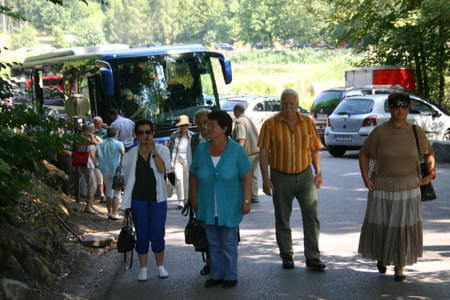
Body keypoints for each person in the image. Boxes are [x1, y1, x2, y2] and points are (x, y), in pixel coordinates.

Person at [358, 92, 436, 281]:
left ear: (408, 109)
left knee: (402, 229)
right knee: (383, 227)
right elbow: (364, 153)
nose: (399, 110)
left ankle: (399, 267)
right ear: (390, 108)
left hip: (409, 189)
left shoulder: (416, 132)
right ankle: (382, 257)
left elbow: (429, 154)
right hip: (382, 188)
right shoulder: (380, 132)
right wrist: (365, 177)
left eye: (403, 106)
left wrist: (430, 174)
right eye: (395, 106)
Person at [258, 88, 326, 271]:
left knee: (311, 216)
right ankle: (287, 255)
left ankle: (313, 257)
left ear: (297, 105)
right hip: (280, 176)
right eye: (285, 103)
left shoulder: (307, 122)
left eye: (291, 103)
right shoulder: (270, 124)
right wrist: (265, 179)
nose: (288, 107)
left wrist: (318, 171)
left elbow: (314, 149)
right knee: (282, 217)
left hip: (304, 175)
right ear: (280, 104)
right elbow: (263, 153)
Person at [189, 110, 252, 289]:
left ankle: (230, 275)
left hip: (229, 206)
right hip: (207, 205)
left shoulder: (236, 150)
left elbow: (246, 176)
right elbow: (193, 173)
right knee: (213, 243)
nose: (208, 128)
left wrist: (246, 201)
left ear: (224, 128)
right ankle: (216, 275)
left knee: (228, 242)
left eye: (213, 125)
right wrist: (192, 195)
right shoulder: (201, 149)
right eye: (208, 124)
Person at [121, 119, 171, 281]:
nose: (144, 136)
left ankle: (160, 266)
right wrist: (126, 204)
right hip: (137, 200)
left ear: (153, 133)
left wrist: (153, 151)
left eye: (147, 132)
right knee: (141, 235)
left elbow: (164, 170)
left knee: (157, 233)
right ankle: (143, 269)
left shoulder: (162, 150)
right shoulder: (129, 155)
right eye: (141, 132)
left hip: (158, 199)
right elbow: (127, 180)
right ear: (136, 135)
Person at [189, 108, 211, 276]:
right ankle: (209, 262)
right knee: (205, 228)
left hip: (221, 190)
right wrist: (192, 195)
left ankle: (225, 262)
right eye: (200, 123)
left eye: (206, 122)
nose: (203, 126)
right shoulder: (194, 140)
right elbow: (192, 169)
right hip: (202, 190)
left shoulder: (220, 136)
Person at [233, 104, 260, 203]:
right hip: (256, 150)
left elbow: (241, 138)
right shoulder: (247, 119)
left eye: (234, 111)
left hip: (248, 153)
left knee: (245, 176)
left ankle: (246, 197)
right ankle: (254, 196)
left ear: (237, 111)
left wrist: (238, 154)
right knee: (254, 175)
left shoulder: (240, 121)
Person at [96, 127, 125, 220]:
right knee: (117, 192)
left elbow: (96, 154)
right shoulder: (119, 143)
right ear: (116, 134)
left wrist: (98, 163)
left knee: (108, 191)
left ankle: (109, 213)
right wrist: (121, 165)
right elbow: (123, 153)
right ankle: (115, 213)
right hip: (116, 169)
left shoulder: (101, 144)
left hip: (104, 169)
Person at [168, 115, 193, 209]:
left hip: (188, 158)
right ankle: (180, 200)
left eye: (186, 125)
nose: (184, 127)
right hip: (177, 159)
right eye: (182, 125)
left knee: (187, 179)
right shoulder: (174, 135)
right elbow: (169, 148)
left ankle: (187, 199)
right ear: (179, 126)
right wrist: (170, 162)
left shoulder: (191, 135)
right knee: (178, 178)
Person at [78, 124, 98, 214]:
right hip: (86, 164)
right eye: (92, 130)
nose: (93, 131)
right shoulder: (83, 138)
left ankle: (90, 205)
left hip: (90, 164)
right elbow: (94, 142)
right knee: (92, 185)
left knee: (93, 185)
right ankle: (88, 207)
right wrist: (91, 135)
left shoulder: (86, 138)